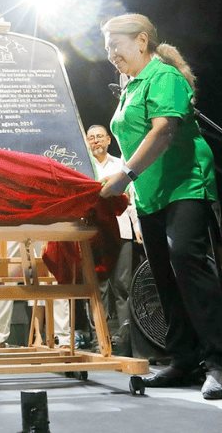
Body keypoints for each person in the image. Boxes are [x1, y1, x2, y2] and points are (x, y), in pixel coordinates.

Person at [100, 13, 222, 399]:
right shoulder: (129, 87)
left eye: (116, 44)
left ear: (141, 40)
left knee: (187, 261)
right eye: (106, 46)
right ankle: (183, 360)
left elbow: (163, 131)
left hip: (185, 184)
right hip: (150, 192)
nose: (110, 53)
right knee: (162, 274)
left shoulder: (165, 78)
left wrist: (125, 174)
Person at [86, 124, 143, 355]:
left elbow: (132, 197)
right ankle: (99, 337)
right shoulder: (82, 165)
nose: (96, 141)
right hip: (92, 232)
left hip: (121, 230)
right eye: (91, 138)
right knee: (96, 287)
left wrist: (137, 225)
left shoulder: (121, 164)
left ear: (109, 140)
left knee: (122, 285)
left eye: (100, 137)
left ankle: (126, 337)